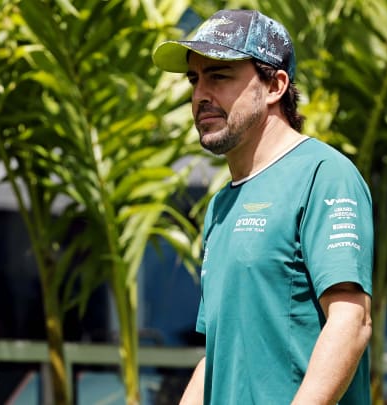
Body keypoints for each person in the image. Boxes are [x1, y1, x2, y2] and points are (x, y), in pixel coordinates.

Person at [152, 9, 374, 404]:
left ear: (275, 86)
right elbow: (218, 356)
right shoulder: (222, 205)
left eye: (219, 76)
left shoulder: (323, 175)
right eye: (194, 79)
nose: (201, 94)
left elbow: (351, 321)